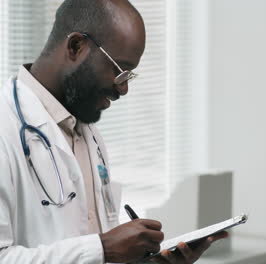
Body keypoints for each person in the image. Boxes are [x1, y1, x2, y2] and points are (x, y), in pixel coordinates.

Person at [0, 0, 226, 263]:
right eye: (119, 70)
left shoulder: (88, 132)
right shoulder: (6, 129)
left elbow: (91, 249)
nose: (123, 89)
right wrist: (103, 248)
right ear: (76, 46)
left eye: (129, 76)